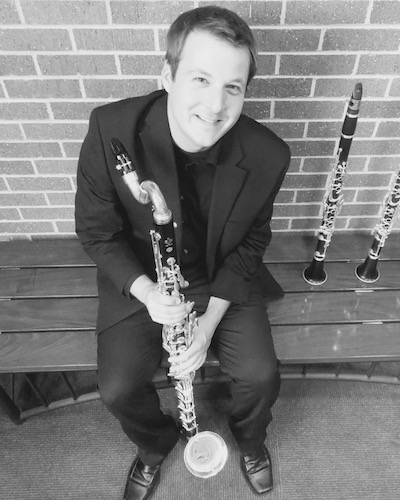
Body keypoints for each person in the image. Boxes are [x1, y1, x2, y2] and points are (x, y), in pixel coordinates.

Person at [75, 5, 290, 500]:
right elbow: (95, 232)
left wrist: (208, 324)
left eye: (232, 87)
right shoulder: (112, 132)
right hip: (143, 278)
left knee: (261, 376)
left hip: (220, 279)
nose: (215, 105)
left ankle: (251, 440)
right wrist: (147, 292)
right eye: (200, 78)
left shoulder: (268, 155)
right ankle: (154, 446)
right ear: (167, 76)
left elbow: (253, 241)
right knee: (118, 388)